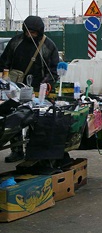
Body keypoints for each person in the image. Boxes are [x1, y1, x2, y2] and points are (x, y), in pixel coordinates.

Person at [0, 15, 60, 163]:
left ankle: (33, 150)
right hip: (15, 86)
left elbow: (53, 69)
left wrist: (47, 84)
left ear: (39, 31)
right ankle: (17, 150)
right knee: (14, 117)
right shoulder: (16, 42)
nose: (30, 35)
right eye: (28, 31)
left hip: (38, 88)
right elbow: (4, 61)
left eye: (33, 32)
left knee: (36, 119)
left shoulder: (48, 45)